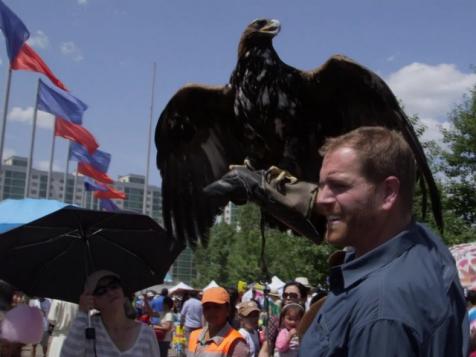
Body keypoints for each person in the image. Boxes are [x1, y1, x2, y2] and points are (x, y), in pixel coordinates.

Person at [296, 127, 469, 356]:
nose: (321, 200)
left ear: (388, 192)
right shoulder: (424, 244)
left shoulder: (381, 311)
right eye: (322, 185)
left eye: (338, 186)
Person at [60, 270, 160, 356]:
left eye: (114, 286)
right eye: (100, 291)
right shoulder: (87, 329)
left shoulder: (146, 334)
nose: (110, 292)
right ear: (93, 301)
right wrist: (82, 312)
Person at [187, 287, 249, 356]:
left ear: (228, 310)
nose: (211, 312)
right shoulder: (194, 335)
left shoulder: (236, 342)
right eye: (207, 307)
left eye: (217, 307)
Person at [258, 281, 307, 357]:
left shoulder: (309, 320)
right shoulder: (275, 320)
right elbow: (265, 351)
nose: (288, 298)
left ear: (303, 298)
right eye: (285, 295)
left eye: (293, 295)